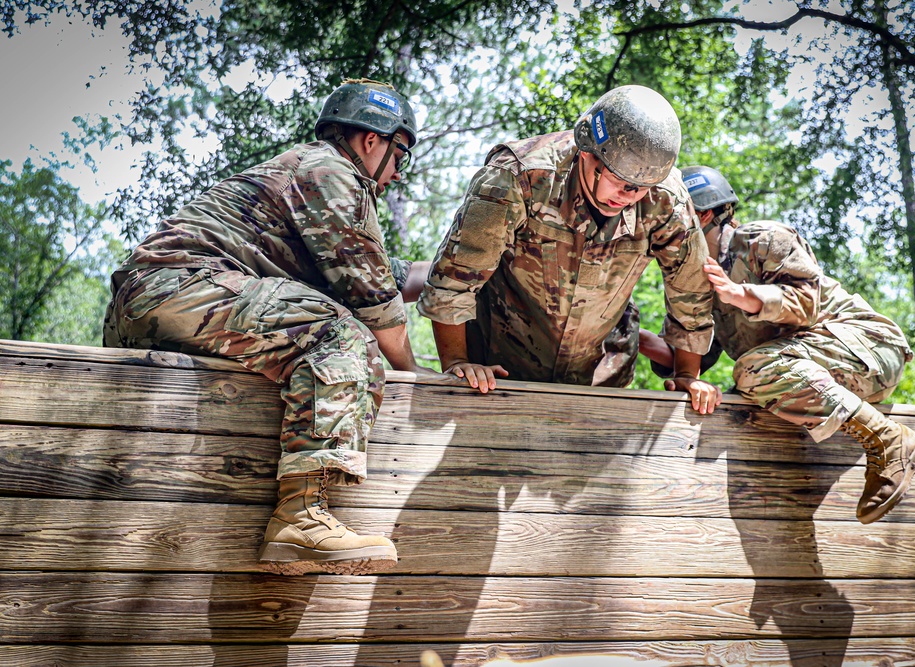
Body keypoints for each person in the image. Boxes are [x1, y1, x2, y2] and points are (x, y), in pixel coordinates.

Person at [103, 78, 435, 575]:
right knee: (339, 334)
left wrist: (456, 277)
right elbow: (373, 301)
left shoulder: (312, 174)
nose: (398, 175)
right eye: (400, 156)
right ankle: (302, 516)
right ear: (372, 140)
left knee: (320, 327)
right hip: (177, 287)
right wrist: (416, 375)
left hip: (162, 298)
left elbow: (383, 273)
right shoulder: (331, 172)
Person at [645, 165, 915, 524]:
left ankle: (890, 441)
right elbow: (691, 352)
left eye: (676, 222)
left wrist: (741, 294)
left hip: (867, 346)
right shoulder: (695, 279)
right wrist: (629, 336)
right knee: (744, 389)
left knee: (752, 370)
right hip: (814, 369)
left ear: (702, 215)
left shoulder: (761, 239)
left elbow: (806, 302)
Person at [416, 85, 720, 415]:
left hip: (601, 375)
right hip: (498, 368)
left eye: (640, 188)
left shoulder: (666, 201)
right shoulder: (519, 177)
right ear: (588, 154)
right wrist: (458, 362)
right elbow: (455, 278)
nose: (629, 196)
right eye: (620, 182)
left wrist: (688, 374)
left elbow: (691, 293)